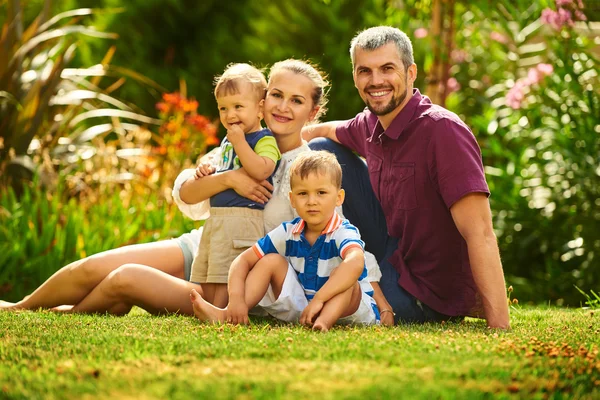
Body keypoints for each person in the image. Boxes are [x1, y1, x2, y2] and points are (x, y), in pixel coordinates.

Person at [1, 59, 394, 325]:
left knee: (123, 280)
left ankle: (65, 312)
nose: (283, 107)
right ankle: (20, 309)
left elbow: (337, 232)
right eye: (276, 95)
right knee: (93, 268)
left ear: (313, 112)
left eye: (297, 101)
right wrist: (230, 179)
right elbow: (186, 193)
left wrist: (376, 294)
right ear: (262, 98)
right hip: (203, 244)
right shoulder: (242, 138)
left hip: (232, 272)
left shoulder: (309, 171)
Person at [304, 26, 510, 329]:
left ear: (411, 72)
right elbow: (321, 131)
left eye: (387, 69)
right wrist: (253, 153)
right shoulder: (370, 125)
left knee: (324, 289)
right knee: (320, 152)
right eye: (365, 71)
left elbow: (480, 232)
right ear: (355, 78)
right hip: (389, 254)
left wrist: (499, 326)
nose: (376, 81)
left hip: (423, 291)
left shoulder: (442, 131)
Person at [190, 151, 379, 332]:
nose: (311, 201)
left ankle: (323, 323)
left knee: (347, 280)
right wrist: (237, 299)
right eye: (303, 194)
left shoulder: (342, 232)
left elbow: (356, 261)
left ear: (338, 198)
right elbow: (243, 261)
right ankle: (228, 314)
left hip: (350, 311)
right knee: (270, 260)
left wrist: (320, 299)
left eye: (321, 192)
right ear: (292, 199)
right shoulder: (288, 232)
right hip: (305, 306)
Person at [189, 63, 280, 308]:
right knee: (208, 275)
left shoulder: (264, 139)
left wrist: (239, 143)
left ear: (260, 108)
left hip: (242, 220)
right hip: (218, 219)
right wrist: (206, 170)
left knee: (224, 277)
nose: (230, 115)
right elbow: (224, 169)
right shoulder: (228, 141)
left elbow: (262, 169)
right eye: (223, 108)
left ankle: (220, 312)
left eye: (238, 107)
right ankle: (211, 307)